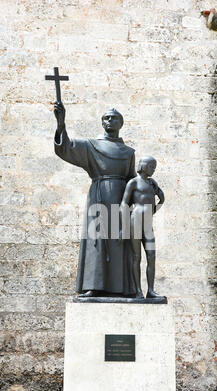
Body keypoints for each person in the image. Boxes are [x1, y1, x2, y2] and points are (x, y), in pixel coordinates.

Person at [53, 101, 137, 297]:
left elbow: (132, 176)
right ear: (102, 123)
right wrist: (61, 124)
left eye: (114, 118)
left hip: (121, 199)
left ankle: (123, 288)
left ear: (120, 123)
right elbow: (65, 148)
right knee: (96, 239)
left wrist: (147, 186)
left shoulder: (129, 152)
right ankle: (94, 285)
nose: (110, 120)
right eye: (106, 118)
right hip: (99, 196)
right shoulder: (91, 146)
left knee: (119, 240)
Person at [120, 156, 165, 299]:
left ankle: (150, 290)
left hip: (147, 223)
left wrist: (159, 201)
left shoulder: (152, 184)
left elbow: (158, 202)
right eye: (152, 166)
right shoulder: (133, 182)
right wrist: (124, 226)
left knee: (151, 255)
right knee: (136, 256)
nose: (153, 169)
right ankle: (138, 290)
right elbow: (123, 204)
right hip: (135, 221)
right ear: (144, 166)